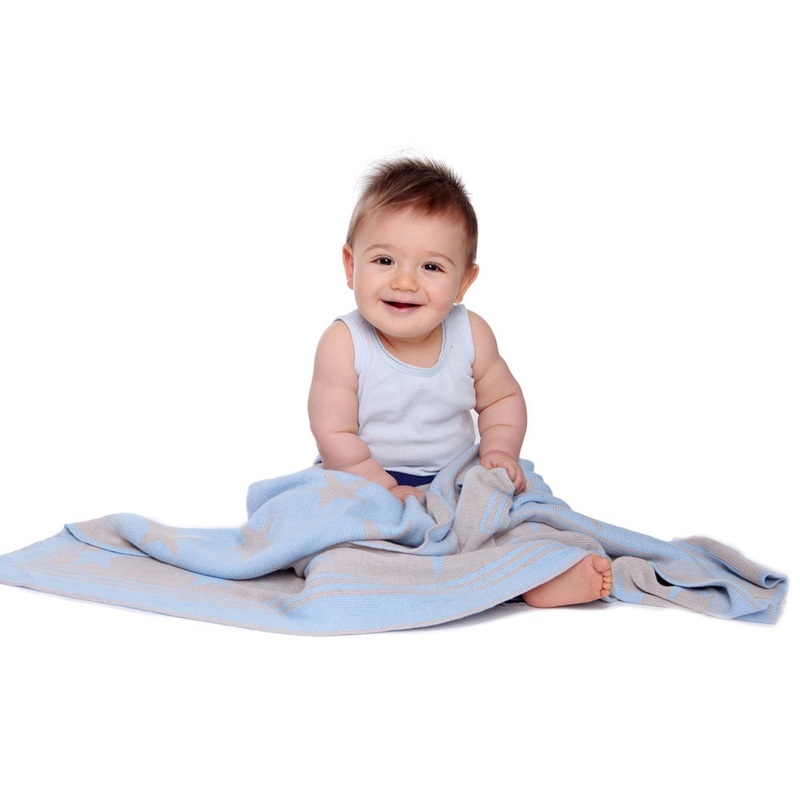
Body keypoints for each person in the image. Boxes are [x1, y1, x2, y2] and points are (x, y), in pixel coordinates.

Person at [308, 156, 612, 607]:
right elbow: (334, 433)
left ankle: (535, 573)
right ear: (351, 265)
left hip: (455, 481)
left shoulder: (470, 334)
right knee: (323, 529)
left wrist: (499, 452)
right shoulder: (344, 342)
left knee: (519, 511)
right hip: (363, 481)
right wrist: (384, 488)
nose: (405, 281)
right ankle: (399, 576)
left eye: (431, 267)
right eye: (385, 260)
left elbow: (502, 399)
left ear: (464, 282)